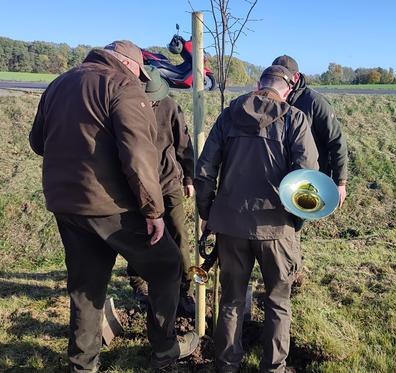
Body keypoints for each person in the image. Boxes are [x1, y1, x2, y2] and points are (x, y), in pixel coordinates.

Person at [28, 40, 198, 372]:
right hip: (111, 207)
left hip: (66, 204)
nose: (141, 79)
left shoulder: (59, 83)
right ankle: (165, 349)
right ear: (131, 65)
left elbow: (37, 143)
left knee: (85, 286)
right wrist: (153, 211)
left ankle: (83, 364)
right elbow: (138, 154)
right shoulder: (122, 84)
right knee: (167, 264)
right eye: (140, 72)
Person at [195, 65, 318, 372]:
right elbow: (307, 180)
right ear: (287, 89)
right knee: (278, 301)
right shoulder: (294, 119)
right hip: (277, 228)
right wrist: (295, 223)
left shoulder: (228, 116)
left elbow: (204, 171)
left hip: (231, 226)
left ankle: (226, 365)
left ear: (258, 85)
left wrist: (209, 214)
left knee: (231, 300)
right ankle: (273, 368)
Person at [127, 66, 196, 316]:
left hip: (168, 183)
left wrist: (189, 176)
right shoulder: (125, 106)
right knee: (139, 237)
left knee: (179, 235)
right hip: (135, 186)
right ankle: (139, 284)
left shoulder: (170, 107)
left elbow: (183, 144)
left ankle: (185, 290)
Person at [272, 55, 348, 207]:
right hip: (279, 175)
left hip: (308, 177)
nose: (281, 81)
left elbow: (336, 141)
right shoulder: (271, 100)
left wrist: (340, 182)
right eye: (276, 76)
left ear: (296, 76)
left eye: (285, 77)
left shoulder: (315, 102)